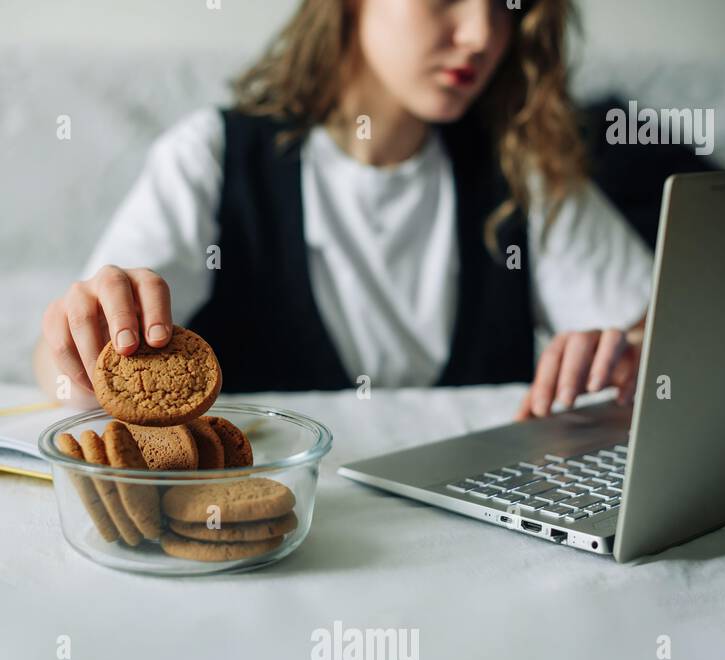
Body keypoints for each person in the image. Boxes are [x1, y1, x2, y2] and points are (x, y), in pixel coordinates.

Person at [33, 0, 652, 419]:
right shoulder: (214, 157)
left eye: (504, 4)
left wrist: (633, 359)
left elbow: (659, 335)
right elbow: (67, 356)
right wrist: (78, 342)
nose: (484, 34)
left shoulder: (524, 170)